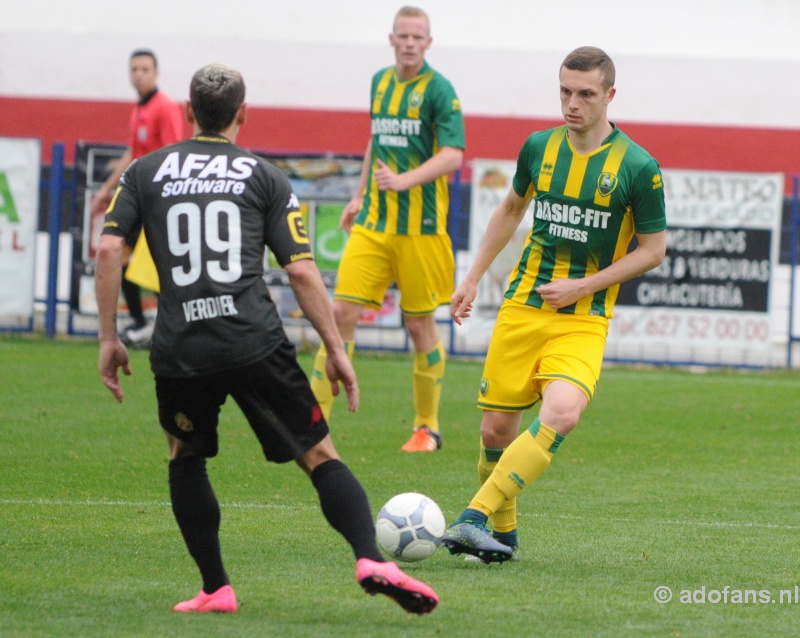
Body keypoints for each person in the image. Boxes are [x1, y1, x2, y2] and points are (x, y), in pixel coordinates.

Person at [95, 63, 438, 615]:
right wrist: (335, 347)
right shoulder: (263, 176)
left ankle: (215, 588)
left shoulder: (145, 171)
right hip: (255, 340)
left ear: (187, 113)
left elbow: (110, 250)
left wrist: (109, 337)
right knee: (319, 455)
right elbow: (301, 271)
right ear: (243, 114)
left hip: (182, 346)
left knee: (185, 455)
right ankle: (370, 558)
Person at [441, 46, 667, 563]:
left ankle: (473, 516)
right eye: (565, 91)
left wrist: (583, 287)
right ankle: (505, 535)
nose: (572, 103)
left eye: (586, 94)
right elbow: (511, 207)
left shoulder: (637, 166)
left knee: (562, 413)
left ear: (610, 95)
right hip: (523, 306)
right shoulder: (539, 147)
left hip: (583, 320)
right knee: (495, 430)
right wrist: (472, 278)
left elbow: (653, 251)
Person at [309, 5, 465, 453]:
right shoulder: (379, 82)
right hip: (374, 224)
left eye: (419, 37)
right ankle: (314, 423)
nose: (411, 43)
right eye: (404, 36)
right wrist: (359, 195)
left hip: (422, 229)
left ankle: (427, 427)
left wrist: (403, 181)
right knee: (338, 315)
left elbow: (453, 154)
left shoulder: (439, 90)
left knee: (419, 325)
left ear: (428, 43)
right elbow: (375, 140)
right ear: (392, 38)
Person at [91, 49, 184, 348]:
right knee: (122, 258)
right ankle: (141, 323)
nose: (138, 74)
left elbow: (172, 154)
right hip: (137, 198)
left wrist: (163, 202)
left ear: (156, 73)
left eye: (144, 69)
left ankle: (166, 328)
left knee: (156, 265)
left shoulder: (165, 107)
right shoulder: (139, 109)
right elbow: (133, 154)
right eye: (134, 69)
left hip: (156, 201)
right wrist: (107, 190)